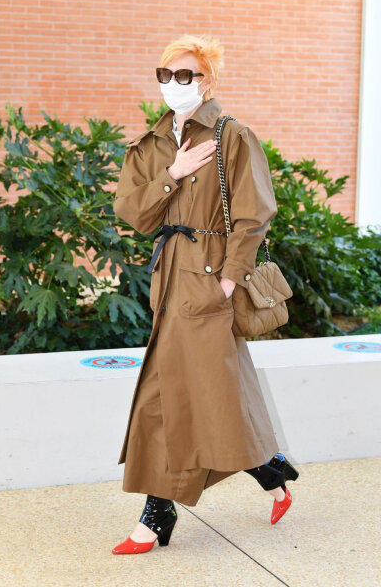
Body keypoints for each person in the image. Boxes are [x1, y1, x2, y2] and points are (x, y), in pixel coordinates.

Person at [111, 34, 299, 555]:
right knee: (193, 398)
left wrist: (228, 279)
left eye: (186, 76)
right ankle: (268, 470)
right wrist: (172, 175)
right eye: (165, 76)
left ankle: (156, 516)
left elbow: (254, 214)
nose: (174, 85)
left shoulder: (232, 136)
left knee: (170, 400)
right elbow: (132, 212)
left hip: (211, 280)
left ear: (208, 80)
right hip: (168, 284)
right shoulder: (151, 145)